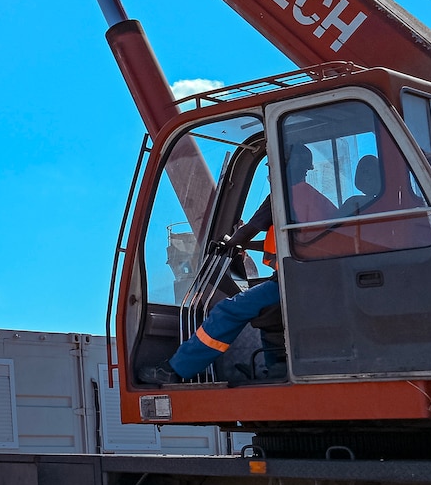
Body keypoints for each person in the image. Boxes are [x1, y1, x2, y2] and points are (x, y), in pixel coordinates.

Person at [141, 150, 342, 386]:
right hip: (318, 279)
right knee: (267, 313)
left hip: (294, 281)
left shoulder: (283, 193)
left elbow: (250, 229)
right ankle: (277, 368)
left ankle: (176, 370)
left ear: (286, 166)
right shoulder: (313, 198)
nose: (268, 173)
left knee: (228, 311)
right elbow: (296, 239)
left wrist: (230, 242)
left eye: (271, 167)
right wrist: (246, 246)